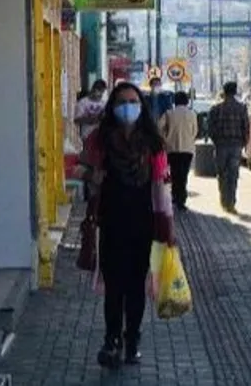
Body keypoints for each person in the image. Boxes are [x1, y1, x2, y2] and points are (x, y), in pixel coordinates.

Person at [81, 82, 175, 369]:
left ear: (141, 106)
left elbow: (161, 188)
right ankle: (112, 340)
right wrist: (91, 177)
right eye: (122, 102)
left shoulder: (153, 144)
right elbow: (81, 167)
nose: (127, 107)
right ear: (113, 106)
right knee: (113, 288)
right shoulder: (100, 139)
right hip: (110, 223)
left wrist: (166, 228)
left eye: (133, 102)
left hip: (142, 225)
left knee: (135, 288)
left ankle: (132, 340)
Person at [207, 81, 249, 213]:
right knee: (233, 174)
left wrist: (216, 140)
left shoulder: (216, 108)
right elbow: (246, 127)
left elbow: (210, 128)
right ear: (235, 92)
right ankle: (231, 202)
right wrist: (244, 143)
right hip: (236, 146)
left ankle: (223, 200)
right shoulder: (242, 108)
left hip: (221, 145)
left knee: (222, 173)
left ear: (223, 92)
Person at [159, 91, 198, 210]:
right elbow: (195, 131)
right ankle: (181, 198)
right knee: (184, 174)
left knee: (174, 173)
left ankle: (175, 195)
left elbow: (159, 127)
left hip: (172, 149)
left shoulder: (169, 113)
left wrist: (165, 140)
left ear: (174, 101)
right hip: (187, 149)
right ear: (187, 101)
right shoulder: (192, 114)